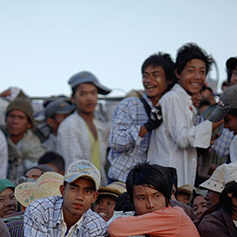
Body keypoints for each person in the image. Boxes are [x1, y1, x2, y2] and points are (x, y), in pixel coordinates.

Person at [147, 44, 219, 186]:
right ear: (178, 73)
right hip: (166, 183)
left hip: (178, 182)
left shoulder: (187, 101)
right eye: (191, 71)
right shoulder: (173, 98)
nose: (197, 77)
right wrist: (218, 120)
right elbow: (183, 138)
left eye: (202, 72)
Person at [108, 53, 175, 182]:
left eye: (155, 75)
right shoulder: (131, 104)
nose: (148, 80)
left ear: (169, 79)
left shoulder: (171, 108)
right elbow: (116, 142)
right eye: (145, 75)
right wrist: (146, 127)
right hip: (122, 182)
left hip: (149, 185)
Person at [57, 71, 111, 180]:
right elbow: (72, 166)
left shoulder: (100, 125)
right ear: (73, 98)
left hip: (98, 186)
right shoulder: (69, 125)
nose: (89, 98)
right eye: (83, 94)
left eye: (93, 93)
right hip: (80, 187)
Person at [5, 94, 46, 181]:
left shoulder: (34, 147)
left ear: (29, 124)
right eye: (12, 116)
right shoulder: (0, 140)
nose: (15, 121)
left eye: (21, 117)